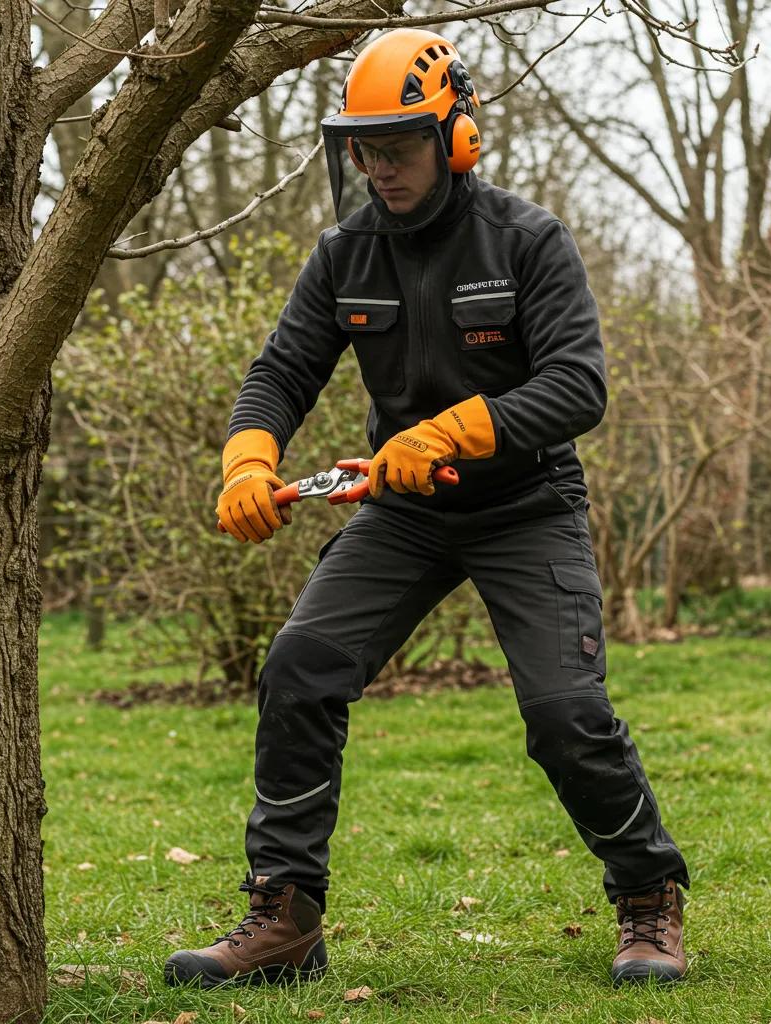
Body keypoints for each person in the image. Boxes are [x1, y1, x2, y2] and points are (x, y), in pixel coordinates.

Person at [165, 27, 689, 990]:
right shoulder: (346, 251)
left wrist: (452, 430)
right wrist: (248, 459)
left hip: (526, 505)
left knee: (565, 713)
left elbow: (580, 388)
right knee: (299, 671)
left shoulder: (528, 241)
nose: (379, 166)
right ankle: (286, 919)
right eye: (363, 147)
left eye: (399, 145)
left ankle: (648, 895)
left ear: (456, 138)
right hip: (404, 514)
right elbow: (282, 370)